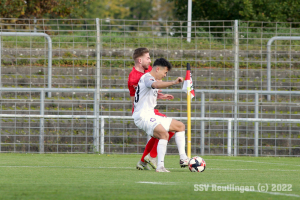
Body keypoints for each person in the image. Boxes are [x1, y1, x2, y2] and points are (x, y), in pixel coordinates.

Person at [132, 58, 189, 172]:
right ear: (158, 69)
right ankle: (160, 166)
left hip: (150, 114)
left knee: (180, 126)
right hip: (142, 116)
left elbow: (147, 93)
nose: (164, 75)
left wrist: (160, 96)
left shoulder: (150, 79)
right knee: (164, 134)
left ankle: (183, 158)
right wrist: (173, 82)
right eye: (165, 72)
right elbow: (155, 84)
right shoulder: (148, 78)